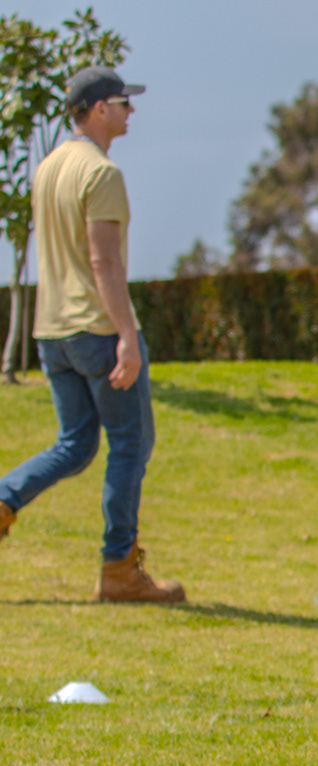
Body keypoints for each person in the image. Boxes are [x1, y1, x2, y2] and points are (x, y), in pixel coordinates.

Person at [0, 67, 183, 603]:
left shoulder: (48, 168)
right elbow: (104, 262)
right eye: (124, 102)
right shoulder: (102, 174)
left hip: (52, 331)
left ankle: (3, 501)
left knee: (76, 444)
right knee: (131, 443)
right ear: (100, 108)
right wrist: (127, 336)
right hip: (97, 329)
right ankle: (119, 569)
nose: (132, 111)